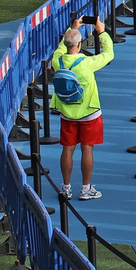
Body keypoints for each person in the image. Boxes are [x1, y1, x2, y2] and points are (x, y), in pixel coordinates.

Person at [49, 16, 113, 201]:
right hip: (89, 113)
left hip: (67, 113)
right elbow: (109, 54)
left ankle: (66, 188)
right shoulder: (86, 63)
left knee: (67, 149)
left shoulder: (57, 61)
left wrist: (72, 27)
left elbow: (61, 49)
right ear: (79, 44)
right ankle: (85, 189)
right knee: (87, 149)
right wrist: (101, 32)